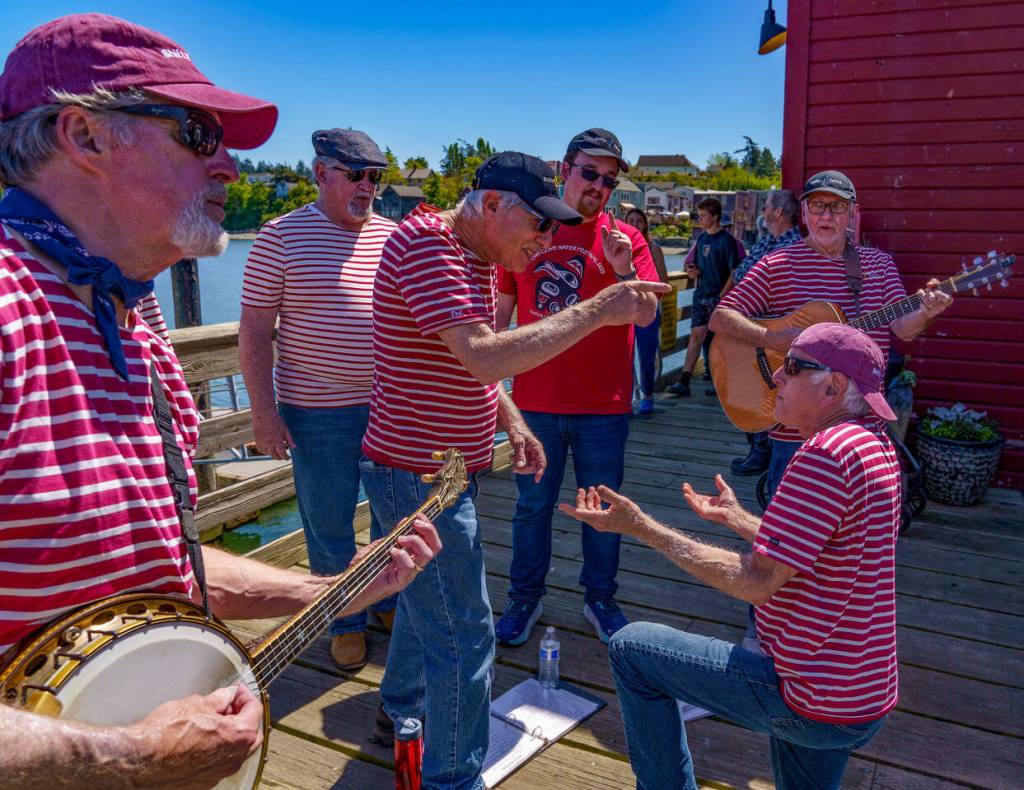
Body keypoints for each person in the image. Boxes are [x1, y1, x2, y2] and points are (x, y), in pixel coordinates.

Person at [0, 14, 440, 789]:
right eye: (198, 134)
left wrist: (331, 588)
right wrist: (126, 757)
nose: (231, 165)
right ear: (85, 136)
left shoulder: (133, 313)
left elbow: (154, 566)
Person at [360, 150, 669, 789]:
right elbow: (482, 354)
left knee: (427, 609)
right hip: (417, 474)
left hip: (439, 469)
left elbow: (465, 362)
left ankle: (400, 712)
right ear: (494, 204)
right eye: (539, 225)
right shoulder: (428, 248)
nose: (547, 239)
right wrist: (597, 309)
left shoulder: (473, 254)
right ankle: (453, 778)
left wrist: (512, 422)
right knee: (465, 637)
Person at [560, 323, 904, 790]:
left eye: (795, 366)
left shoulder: (824, 454)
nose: (778, 375)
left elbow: (755, 581)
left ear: (834, 387)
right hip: (861, 693)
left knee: (633, 649)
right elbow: (819, 548)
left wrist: (638, 526)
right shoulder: (874, 444)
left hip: (810, 696)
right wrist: (740, 519)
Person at [492, 130, 660, 650]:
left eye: (609, 180)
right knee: (531, 508)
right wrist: (495, 389)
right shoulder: (530, 229)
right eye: (590, 173)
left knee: (604, 507)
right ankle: (524, 597)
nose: (598, 187)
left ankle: (600, 597)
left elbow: (649, 314)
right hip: (535, 403)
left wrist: (623, 271)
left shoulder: (626, 239)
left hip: (603, 407)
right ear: (565, 168)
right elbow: (499, 316)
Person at [239, 128, 398, 671]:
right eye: (356, 174)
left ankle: (385, 601)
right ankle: (345, 618)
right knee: (329, 525)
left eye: (375, 176)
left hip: (389, 407)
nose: (367, 186)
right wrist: (264, 413)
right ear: (320, 173)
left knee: (390, 516)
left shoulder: (393, 236)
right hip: (316, 411)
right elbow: (256, 330)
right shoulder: (279, 236)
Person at [710, 170, 952, 499]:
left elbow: (903, 329)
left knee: (856, 539)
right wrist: (770, 339)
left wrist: (927, 311)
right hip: (794, 435)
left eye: (837, 207)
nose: (826, 215)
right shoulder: (776, 264)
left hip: (860, 431)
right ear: (805, 213)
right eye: (818, 205)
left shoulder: (878, 265)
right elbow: (721, 318)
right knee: (788, 542)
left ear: (852, 213)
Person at [726, 189, 803, 477]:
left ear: (779, 212)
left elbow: (751, 277)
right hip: (755, 330)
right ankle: (759, 448)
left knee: (768, 391)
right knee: (752, 390)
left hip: (777, 334)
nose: (764, 210)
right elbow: (741, 274)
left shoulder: (794, 246)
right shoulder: (768, 241)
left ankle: (763, 453)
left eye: (767, 205)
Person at [668, 197, 740, 397]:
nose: (699, 219)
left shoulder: (727, 241)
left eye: (703, 216)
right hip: (701, 295)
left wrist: (722, 296)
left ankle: (721, 383)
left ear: (715, 217)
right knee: (696, 335)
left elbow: (735, 272)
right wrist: (691, 273)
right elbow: (693, 266)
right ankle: (684, 380)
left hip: (719, 298)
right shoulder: (701, 239)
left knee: (720, 341)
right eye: (698, 216)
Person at [624, 207, 670, 416]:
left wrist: (646, 293)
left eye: (638, 221)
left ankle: (647, 394)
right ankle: (627, 398)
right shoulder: (616, 248)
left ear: (644, 224)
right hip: (622, 312)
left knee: (646, 354)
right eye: (630, 220)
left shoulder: (654, 249)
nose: (634, 224)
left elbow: (663, 280)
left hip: (647, 311)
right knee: (623, 356)